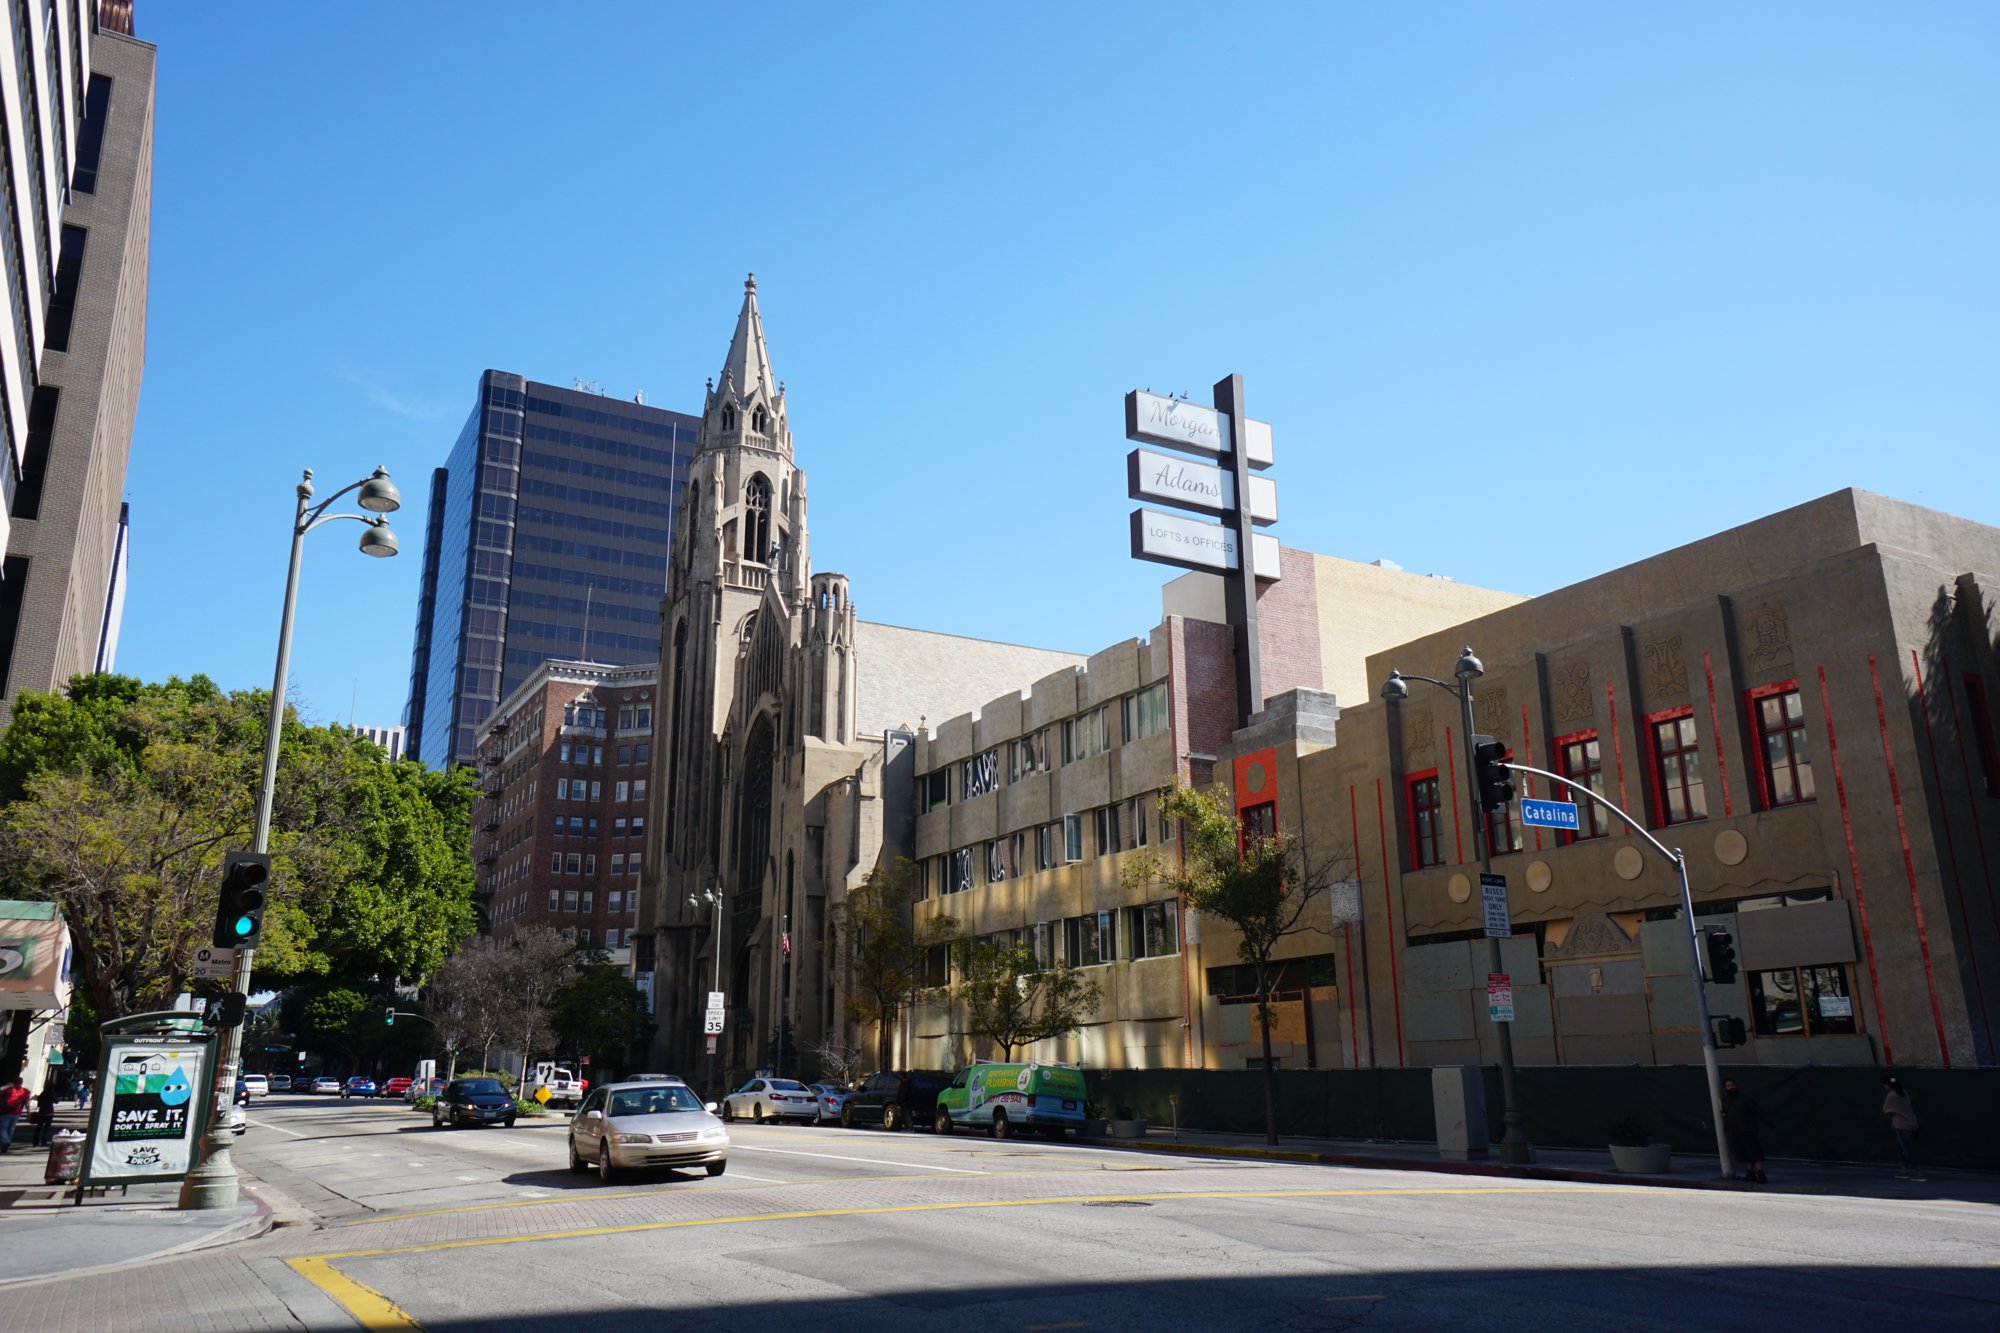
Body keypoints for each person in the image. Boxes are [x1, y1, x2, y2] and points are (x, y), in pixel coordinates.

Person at [1720, 1079, 1768, 1183]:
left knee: (1754, 1151)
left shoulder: (1744, 1098)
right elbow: (1725, 1114)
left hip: (1748, 1130)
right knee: (1744, 1153)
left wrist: (1767, 1121)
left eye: (1732, 1085)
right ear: (1725, 1088)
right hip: (1736, 1131)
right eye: (1728, 1085)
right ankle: (1750, 1173)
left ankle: (1760, 1173)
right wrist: (1727, 1125)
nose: (1731, 1087)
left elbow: (1757, 1110)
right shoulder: (1726, 1100)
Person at [1881, 1076, 1925, 1181]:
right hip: (1911, 1122)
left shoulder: (1891, 1095)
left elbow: (1886, 1110)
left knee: (1907, 1149)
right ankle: (1904, 1170)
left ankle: (1919, 1172)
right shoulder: (1904, 1092)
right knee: (1901, 1148)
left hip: (1901, 1125)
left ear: (1887, 1085)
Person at [0, 1076, 27, 1153]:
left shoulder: (8, 1090)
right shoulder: (24, 1091)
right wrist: (28, 1112)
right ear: (21, 1083)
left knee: (3, 1128)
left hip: (5, 1112)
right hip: (17, 1113)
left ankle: (5, 1141)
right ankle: (7, 1142)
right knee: (11, 1129)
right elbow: (26, 1102)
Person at [30, 1083, 57, 1147]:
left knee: (39, 1128)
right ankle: (43, 1141)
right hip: (49, 1112)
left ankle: (35, 1142)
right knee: (46, 1128)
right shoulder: (52, 1094)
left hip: (41, 1112)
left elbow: (39, 1102)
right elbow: (56, 1101)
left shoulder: (43, 1094)